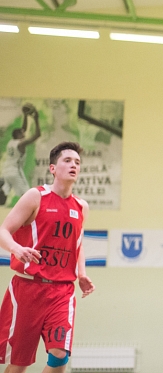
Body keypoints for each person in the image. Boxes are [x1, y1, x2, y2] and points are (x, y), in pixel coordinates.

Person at [0, 141, 95, 372]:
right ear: (53, 168)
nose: (74, 165)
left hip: (62, 291)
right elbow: (3, 230)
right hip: (28, 289)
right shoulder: (36, 196)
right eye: (67, 160)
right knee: (18, 365)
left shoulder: (81, 207)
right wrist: (16, 249)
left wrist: (81, 274)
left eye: (77, 162)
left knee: (60, 356)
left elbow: (78, 245)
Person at [0, 104, 41, 207]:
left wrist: (25, 116)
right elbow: (37, 135)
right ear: (19, 135)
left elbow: (23, 129)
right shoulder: (21, 144)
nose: (24, 133)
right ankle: (26, 216)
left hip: (5, 172)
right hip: (15, 172)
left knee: (3, 196)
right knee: (27, 194)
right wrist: (36, 119)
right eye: (22, 133)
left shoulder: (11, 142)